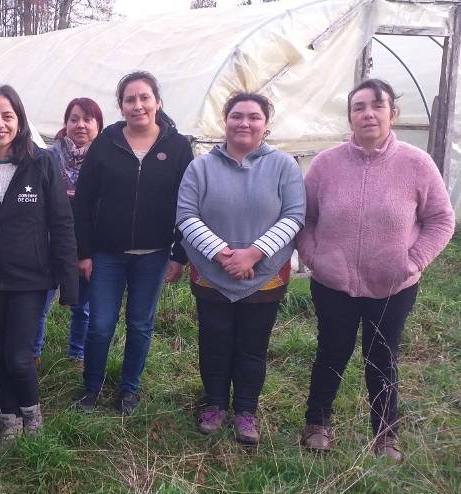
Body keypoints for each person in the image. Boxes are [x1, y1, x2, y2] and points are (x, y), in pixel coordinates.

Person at [296, 79, 455, 461]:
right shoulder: (326, 164)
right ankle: (317, 424)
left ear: (392, 114)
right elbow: (304, 219)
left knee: (382, 356)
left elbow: (441, 219)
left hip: (394, 285)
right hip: (333, 283)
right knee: (331, 353)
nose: (368, 113)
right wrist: (315, 259)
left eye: (377, 106)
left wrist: (413, 262)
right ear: (350, 117)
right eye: (359, 107)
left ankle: (386, 435)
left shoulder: (416, 164)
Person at [176, 92, 305, 445]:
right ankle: (215, 404)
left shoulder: (283, 166)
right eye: (236, 116)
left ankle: (246, 411)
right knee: (214, 343)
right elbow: (186, 216)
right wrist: (222, 254)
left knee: (252, 347)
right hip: (211, 275)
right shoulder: (200, 167)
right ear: (225, 120)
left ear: (266, 123)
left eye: (253, 117)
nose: (244, 123)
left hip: (264, 276)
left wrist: (254, 254)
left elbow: (294, 216)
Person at [0, 85, 78, 446]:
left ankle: (33, 416)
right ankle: (8, 419)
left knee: (19, 355)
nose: (0, 123)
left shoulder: (41, 163)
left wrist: (69, 282)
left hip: (30, 277)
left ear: (19, 120)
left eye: (7, 116)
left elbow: (60, 222)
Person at [73, 71, 193, 414]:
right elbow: (83, 201)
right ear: (121, 106)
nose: (138, 105)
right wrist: (83, 252)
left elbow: (188, 203)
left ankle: (129, 390)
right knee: (100, 325)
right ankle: (91, 388)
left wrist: (179, 254)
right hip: (107, 254)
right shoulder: (106, 143)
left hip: (153, 255)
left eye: (144, 97)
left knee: (140, 324)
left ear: (156, 101)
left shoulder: (177, 146)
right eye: (130, 99)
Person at [32, 97, 104, 368]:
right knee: (40, 302)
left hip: (87, 243)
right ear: (66, 123)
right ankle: (33, 353)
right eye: (74, 119)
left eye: (88, 119)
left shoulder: (104, 158)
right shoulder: (48, 156)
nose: (80, 125)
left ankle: (77, 354)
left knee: (83, 307)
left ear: (98, 124)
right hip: (50, 242)